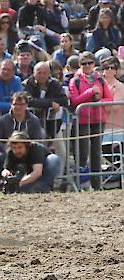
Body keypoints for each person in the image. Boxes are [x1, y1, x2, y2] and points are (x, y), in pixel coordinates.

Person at [69, 51, 113, 190]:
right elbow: (75, 101)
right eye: (84, 63)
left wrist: (99, 100)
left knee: (96, 153)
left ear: (94, 64)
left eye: (90, 63)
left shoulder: (100, 79)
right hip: (82, 121)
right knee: (82, 153)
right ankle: (81, 184)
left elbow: (109, 99)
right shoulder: (75, 80)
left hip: (99, 120)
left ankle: (97, 185)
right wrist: (90, 92)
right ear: (80, 65)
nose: (87, 66)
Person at [0, 92, 45, 188]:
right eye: (15, 104)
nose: (18, 107)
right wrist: (8, 149)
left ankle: (35, 186)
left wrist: (27, 149)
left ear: (26, 106)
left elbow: (38, 140)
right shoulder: (3, 120)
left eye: (21, 104)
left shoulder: (34, 120)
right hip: (9, 153)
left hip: (30, 154)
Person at [23, 61, 68, 140]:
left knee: (61, 150)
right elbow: (29, 101)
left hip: (53, 123)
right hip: (31, 123)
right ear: (33, 73)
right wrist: (50, 103)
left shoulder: (55, 83)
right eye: (39, 73)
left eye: (45, 73)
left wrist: (43, 103)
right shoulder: (26, 84)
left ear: (49, 73)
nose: (42, 75)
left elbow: (64, 100)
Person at [102, 56, 124, 142]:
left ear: (116, 71)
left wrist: (99, 106)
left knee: (115, 153)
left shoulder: (120, 86)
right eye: (107, 68)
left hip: (116, 127)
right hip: (100, 126)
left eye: (112, 68)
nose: (110, 70)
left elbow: (116, 106)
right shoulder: (100, 84)